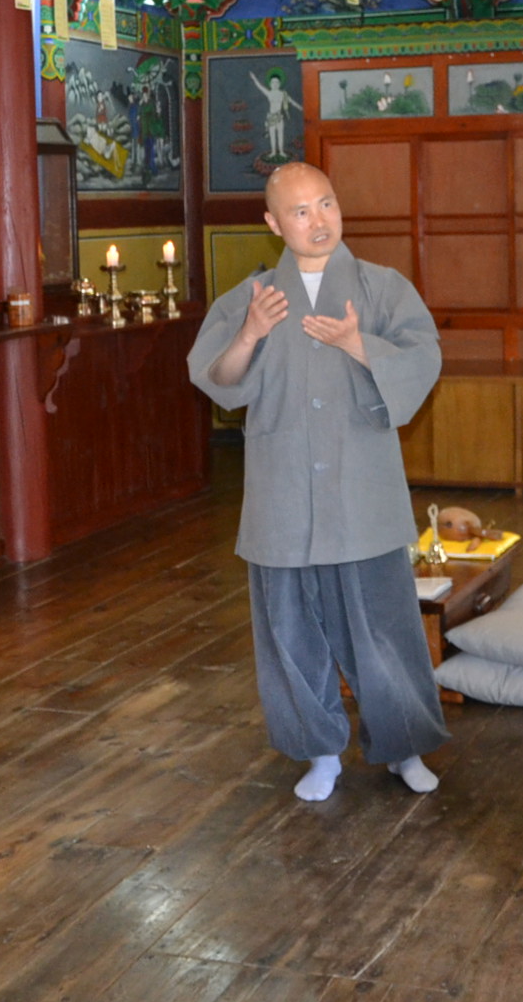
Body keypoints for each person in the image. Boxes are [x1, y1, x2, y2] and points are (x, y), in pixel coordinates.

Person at [187, 163, 451, 803]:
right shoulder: (252, 298)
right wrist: (250, 334)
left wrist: (362, 346)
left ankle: (404, 746)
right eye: (300, 211)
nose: (319, 220)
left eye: (326, 203)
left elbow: (425, 358)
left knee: (384, 625)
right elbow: (216, 377)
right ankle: (319, 752)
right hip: (282, 492)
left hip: (363, 488)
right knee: (289, 630)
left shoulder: (382, 288)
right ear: (274, 224)